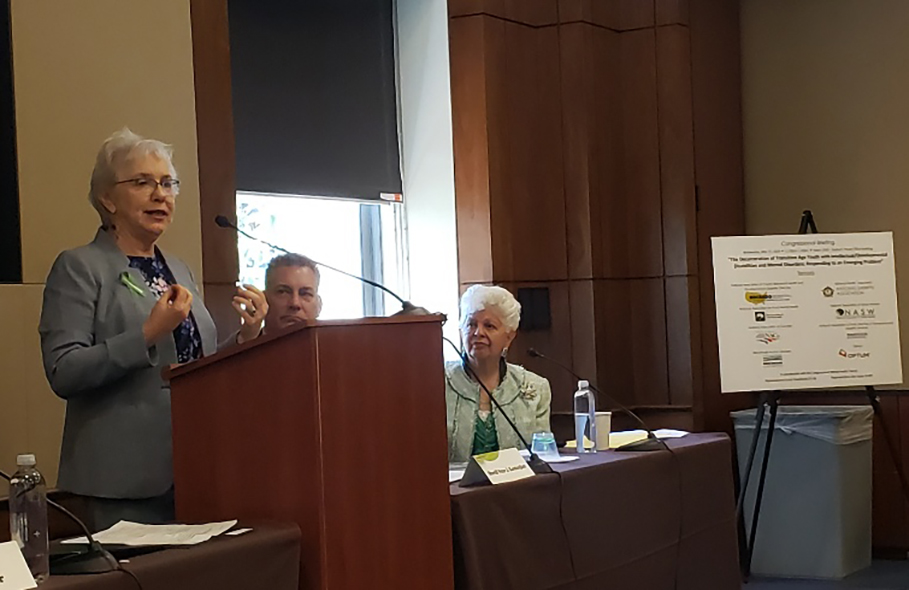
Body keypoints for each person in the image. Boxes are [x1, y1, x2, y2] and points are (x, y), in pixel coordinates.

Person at [39, 128, 267, 530]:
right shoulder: (80, 267)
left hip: (197, 470)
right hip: (121, 481)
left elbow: (196, 366)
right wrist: (145, 334)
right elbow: (64, 369)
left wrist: (247, 337)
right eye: (142, 183)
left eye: (167, 183)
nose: (160, 194)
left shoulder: (178, 269)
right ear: (107, 198)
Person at [446, 285, 552, 463]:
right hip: (453, 489)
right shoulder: (436, 382)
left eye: (489, 326)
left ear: (509, 337)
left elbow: (543, 456)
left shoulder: (535, 387)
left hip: (516, 488)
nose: (478, 333)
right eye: (471, 324)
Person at [262, 253, 322, 332]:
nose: (295, 303)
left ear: (319, 305)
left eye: (305, 294)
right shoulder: (244, 340)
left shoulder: (337, 343)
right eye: (283, 292)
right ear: (264, 299)